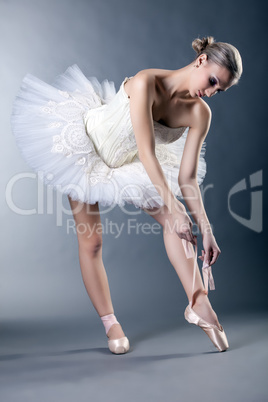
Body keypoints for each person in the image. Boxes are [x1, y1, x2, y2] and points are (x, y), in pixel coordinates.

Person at [10, 35, 243, 354]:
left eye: (220, 90)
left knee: (181, 226)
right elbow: (147, 150)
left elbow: (186, 177)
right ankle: (111, 324)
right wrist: (174, 207)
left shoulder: (200, 113)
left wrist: (206, 229)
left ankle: (199, 302)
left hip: (127, 162)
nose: (213, 92)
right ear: (201, 61)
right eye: (213, 81)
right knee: (92, 242)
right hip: (84, 148)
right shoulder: (148, 81)